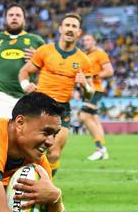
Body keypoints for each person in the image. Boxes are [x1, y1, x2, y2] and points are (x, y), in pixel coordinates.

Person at [18, 13, 93, 176]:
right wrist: (26, 85)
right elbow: (24, 71)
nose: (70, 29)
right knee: (29, 150)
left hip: (61, 109)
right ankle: (20, 184)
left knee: (54, 153)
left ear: (79, 32)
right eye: (67, 25)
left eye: (74, 27)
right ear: (60, 29)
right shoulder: (45, 51)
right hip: (39, 106)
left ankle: (46, 188)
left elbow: (89, 94)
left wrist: (85, 85)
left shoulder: (83, 60)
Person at [0, 3, 46, 118]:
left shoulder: (36, 40)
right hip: (1, 94)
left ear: (24, 20)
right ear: (5, 19)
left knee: (24, 133)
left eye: (18, 15)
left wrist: (38, 57)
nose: (14, 17)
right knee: (4, 129)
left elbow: (49, 64)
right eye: (11, 15)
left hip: (27, 94)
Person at [80, 34, 113, 161]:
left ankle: (100, 148)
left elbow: (109, 71)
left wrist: (94, 76)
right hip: (86, 90)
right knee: (94, 119)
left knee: (84, 116)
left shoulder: (100, 54)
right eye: (84, 40)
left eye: (88, 40)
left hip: (96, 89)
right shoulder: (83, 55)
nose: (85, 42)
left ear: (94, 41)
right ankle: (103, 149)